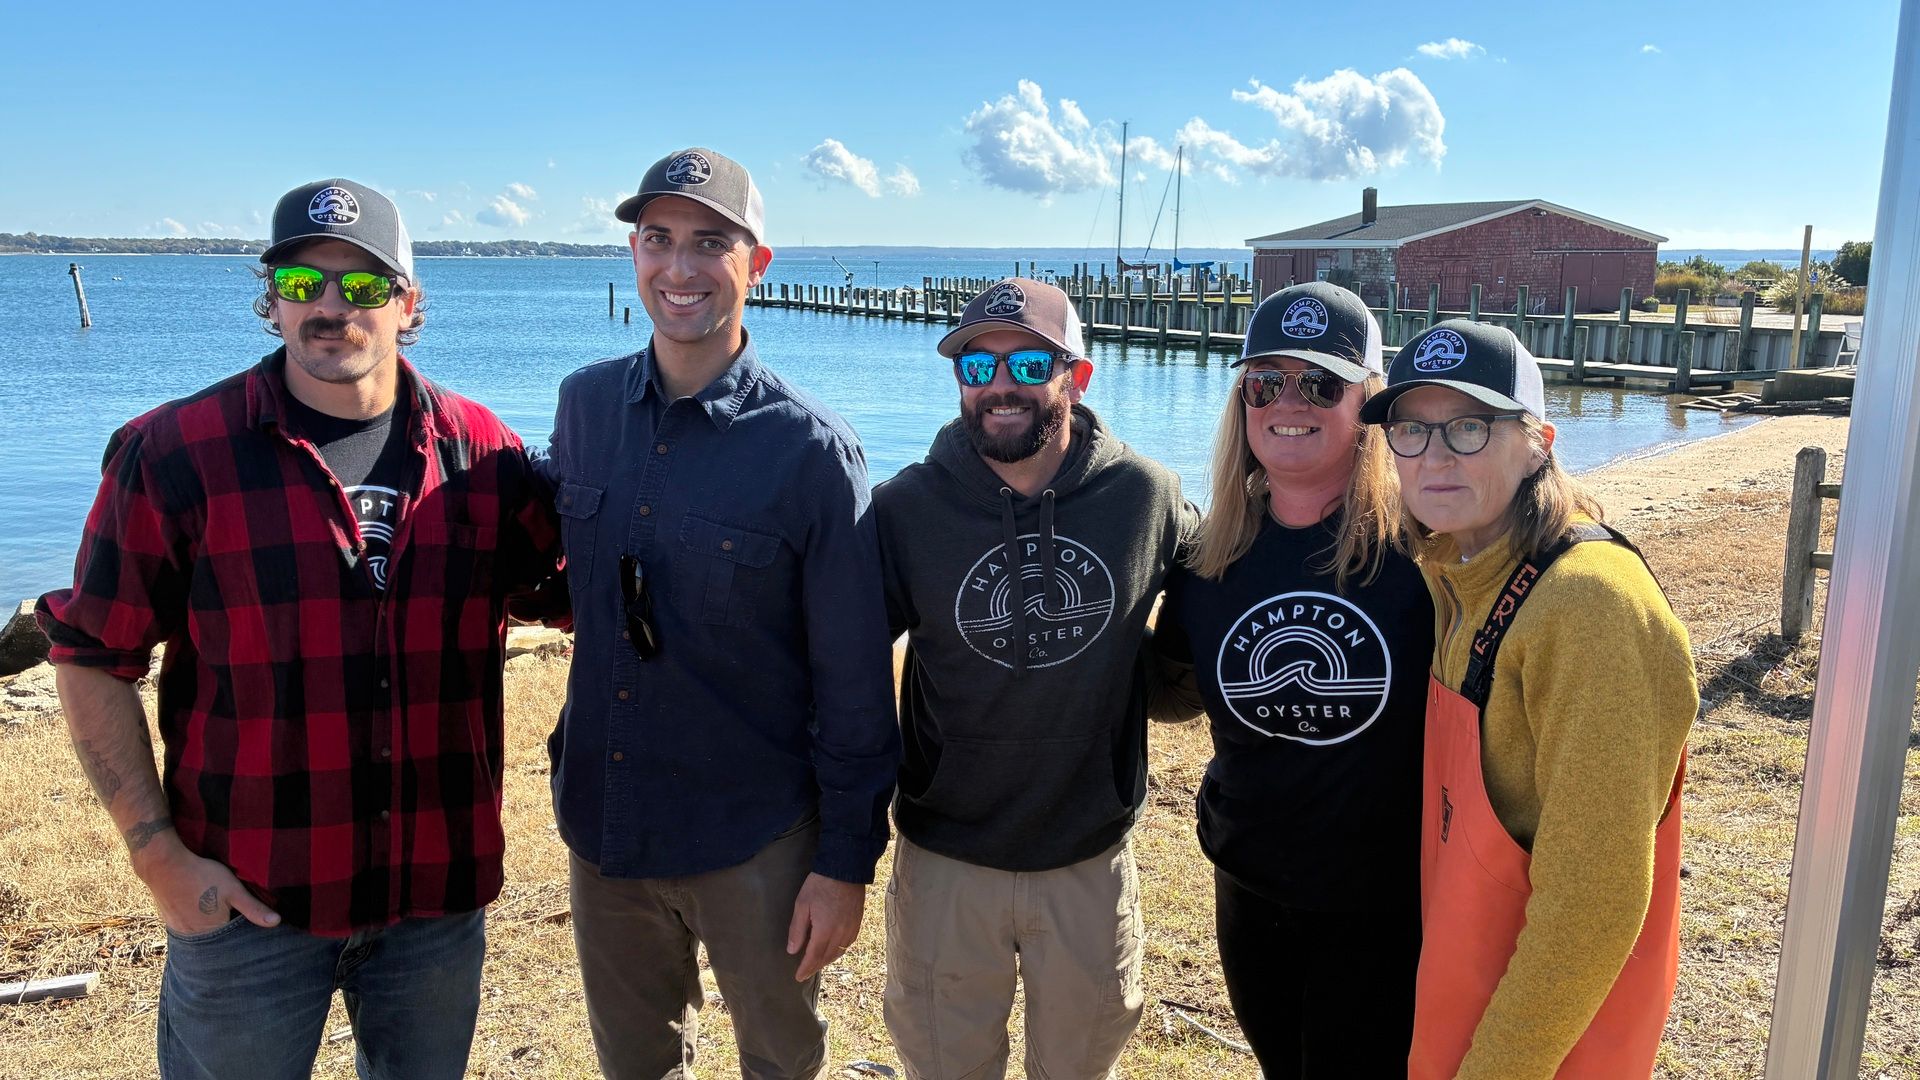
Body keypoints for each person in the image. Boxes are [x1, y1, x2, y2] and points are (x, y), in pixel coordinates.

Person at [36, 178, 560, 1080]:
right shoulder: (175, 453)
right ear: (271, 299)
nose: (330, 306)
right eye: (302, 282)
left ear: (408, 304)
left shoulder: (486, 455)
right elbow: (90, 657)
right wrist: (157, 856)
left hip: (435, 901)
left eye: (362, 285)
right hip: (248, 904)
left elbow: (579, 593)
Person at [542, 147, 899, 1080]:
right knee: (634, 1066)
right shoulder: (583, 407)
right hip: (606, 821)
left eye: (710, 243)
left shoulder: (812, 453)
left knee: (779, 1062)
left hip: (755, 837)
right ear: (633, 253)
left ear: (757, 265)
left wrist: (846, 863)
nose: (680, 267)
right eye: (658, 239)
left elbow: (856, 682)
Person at [873, 277, 1195, 1079]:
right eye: (976, 366)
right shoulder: (905, 508)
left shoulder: (1144, 495)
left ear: (1076, 377)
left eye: (1027, 364)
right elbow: (838, 660)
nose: (1000, 386)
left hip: (1088, 858)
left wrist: (1164, 683)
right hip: (946, 857)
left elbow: (1221, 579)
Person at [1358, 319, 1697, 1079]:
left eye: (1469, 427)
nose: (1434, 456)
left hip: (1542, 1048)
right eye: (1411, 430)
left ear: (1538, 442)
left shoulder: (1589, 605)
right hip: (1467, 1002)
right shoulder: (1458, 574)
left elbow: (1593, 903)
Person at [1149, 281, 1430, 1078]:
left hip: (1384, 904)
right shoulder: (1209, 558)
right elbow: (1171, 690)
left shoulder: (1424, 551)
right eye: (1264, 382)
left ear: (1369, 404)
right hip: (1250, 888)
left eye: (1321, 384)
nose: (1288, 402)